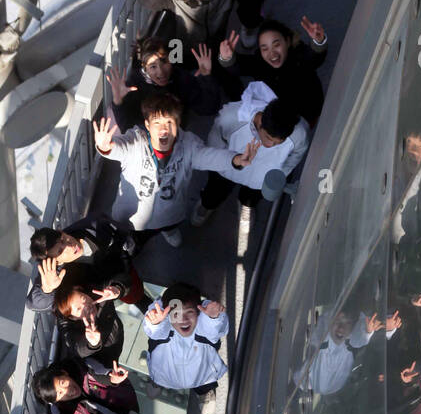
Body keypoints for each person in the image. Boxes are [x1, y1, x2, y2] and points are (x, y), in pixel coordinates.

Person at [92, 94, 259, 248]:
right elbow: (120, 147)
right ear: (147, 126)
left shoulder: (189, 145)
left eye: (169, 122)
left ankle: (168, 231)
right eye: (157, 123)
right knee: (126, 233)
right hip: (131, 216)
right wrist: (106, 147)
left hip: (169, 212)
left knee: (169, 224)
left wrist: (235, 159)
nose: (163, 129)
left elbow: (209, 156)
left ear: (178, 124)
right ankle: (129, 239)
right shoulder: (135, 141)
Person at [191, 85, 309, 220]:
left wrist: (279, 173)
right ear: (260, 123)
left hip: (261, 178)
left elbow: (297, 153)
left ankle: (246, 207)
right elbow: (214, 143)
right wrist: (231, 160)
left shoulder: (300, 133)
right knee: (214, 192)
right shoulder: (231, 118)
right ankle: (207, 205)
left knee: (250, 198)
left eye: (278, 143)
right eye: (268, 138)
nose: (270, 145)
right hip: (227, 168)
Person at [26, 216, 149, 314]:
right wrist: (47, 290)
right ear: (55, 261)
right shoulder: (53, 273)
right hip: (98, 296)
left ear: (61, 231)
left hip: (121, 270)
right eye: (60, 251)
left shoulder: (92, 227)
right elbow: (32, 304)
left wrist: (129, 250)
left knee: (135, 296)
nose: (70, 246)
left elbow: (122, 233)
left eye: (63, 239)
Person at [218, 16, 327, 125]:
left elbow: (314, 57)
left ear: (288, 42)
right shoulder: (259, 62)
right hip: (283, 116)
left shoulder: (298, 54)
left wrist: (318, 42)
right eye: (265, 48)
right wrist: (227, 58)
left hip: (311, 109)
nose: (272, 53)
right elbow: (239, 67)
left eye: (276, 45)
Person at [143, 283, 229, 414]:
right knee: (161, 373)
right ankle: (157, 381)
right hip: (164, 371)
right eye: (176, 314)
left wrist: (213, 319)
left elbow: (215, 329)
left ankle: (204, 391)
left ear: (199, 312)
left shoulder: (204, 329)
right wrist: (155, 323)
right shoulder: (163, 330)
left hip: (202, 376)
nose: (184, 320)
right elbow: (155, 331)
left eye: (190, 312)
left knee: (203, 383)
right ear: (168, 316)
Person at [106, 35, 221, 134]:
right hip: (146, 139)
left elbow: (208, 108)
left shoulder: (181, 78)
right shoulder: (134, 86)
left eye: (164, 61)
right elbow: (127, 128)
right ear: (144, 67)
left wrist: (206, 77)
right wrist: (118, 101)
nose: (161, 72)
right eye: (153, 66)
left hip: (176, 136)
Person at [32, 360, 139, 414]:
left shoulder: (82, 367)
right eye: (60, 394)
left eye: (63, 383)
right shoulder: (60, 408)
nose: (68, 390)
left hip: (116, 406)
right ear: (56, 401)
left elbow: (100, 373)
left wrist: (111, 379)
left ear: (64, 372)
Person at [53, 270, 125, 375]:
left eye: (84, 299)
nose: (86, 306)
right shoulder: (67, 326)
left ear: (83, 291)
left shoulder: (98, 292)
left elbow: (123, 277)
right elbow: (76, 348)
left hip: (116, 334)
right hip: (104, 360)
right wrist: (92, 343)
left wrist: (117, 289)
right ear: (73, 317)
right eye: (78, 309)